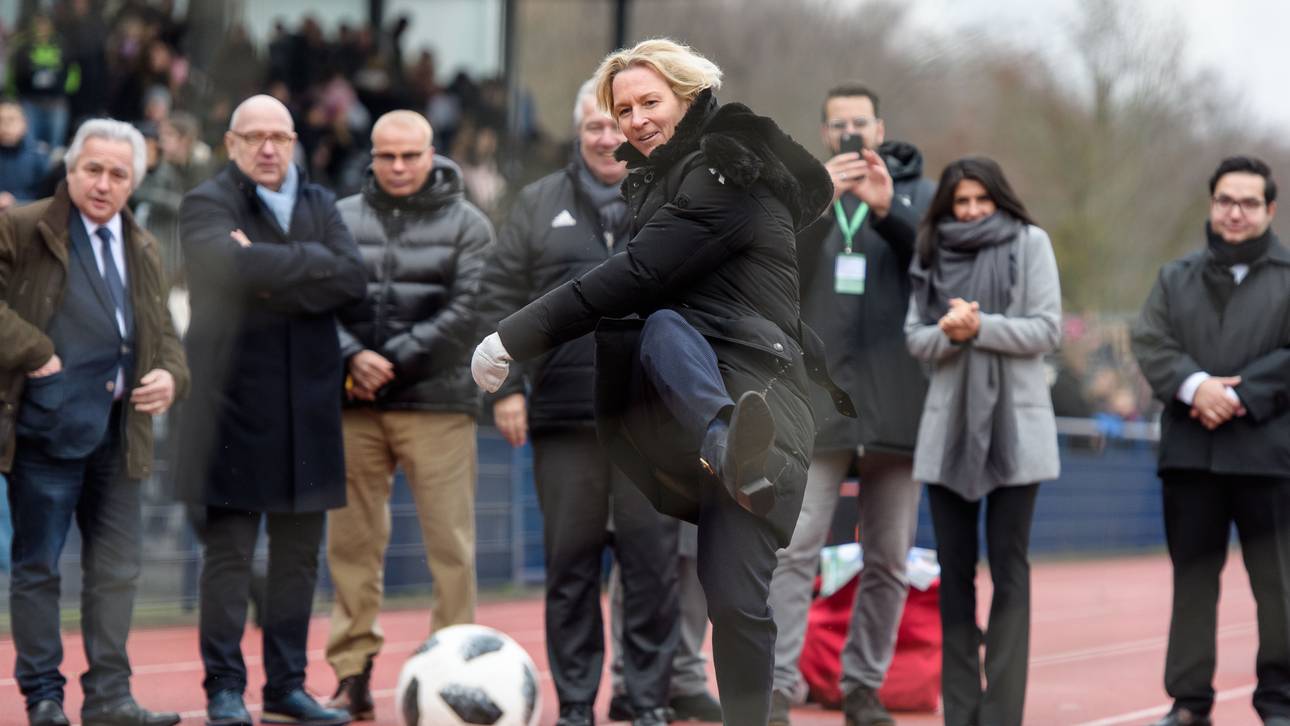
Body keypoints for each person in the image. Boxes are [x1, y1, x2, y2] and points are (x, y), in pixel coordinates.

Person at [472, 38, 852, 726]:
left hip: (763, 406)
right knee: (725, 596)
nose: (636, 119)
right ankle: (718, 437)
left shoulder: (723, 171)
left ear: (689, 95)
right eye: (623, 110)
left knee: (734, 599)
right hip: (686, 423)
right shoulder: (664, 181)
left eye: (651, 102)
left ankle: (726, 436)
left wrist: (510, 338)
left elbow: (635, 275)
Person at [476, 78, 681, 726]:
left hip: (656, 417)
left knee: (651, 566)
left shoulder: (678, 200)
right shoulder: (536, 204)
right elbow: (497, 297)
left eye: (618, 121)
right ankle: (574, 704)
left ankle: (646, 699)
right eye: (594, 124)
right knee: (571, 567)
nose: (607, 135)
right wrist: (505, 388)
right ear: (579, 132)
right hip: (566, 415)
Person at [177, 94, 366, 726]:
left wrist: (261, 267)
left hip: (310, 410)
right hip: (231, 408)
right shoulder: (206, 202)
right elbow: (225, 271)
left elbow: (351, 279)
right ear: (230, 143)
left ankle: (286, 687)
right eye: (253, 136)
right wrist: (307, 271)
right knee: (229, 558)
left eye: (279, 136)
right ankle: (224, 690)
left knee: (296, 561)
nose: (267, 148)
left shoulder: (318, 203)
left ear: (295, 142)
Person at [0, 118, 188, 726]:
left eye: (118, 174)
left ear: (135, 180)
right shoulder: (22, 227)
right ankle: (44, 698)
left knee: (116, 573)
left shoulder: (145, 246)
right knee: (39, 569)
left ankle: (110, 697)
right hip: (46, 430)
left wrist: (171, 377)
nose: (104, 183)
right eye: (93, 169)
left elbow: (164, 335)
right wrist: (36, 352)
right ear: (71, 169)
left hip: (121, 434)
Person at [766, 83, 935, 726]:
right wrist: (818, 204)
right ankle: (779, 685)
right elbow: (773, 268)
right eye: (838, 125)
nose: (850, 134)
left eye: (860, 122)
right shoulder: (802, 197)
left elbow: (938, 264)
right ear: (824, 133)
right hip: (819, 405)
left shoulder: (916, 194)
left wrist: (888, 211)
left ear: (881, 126)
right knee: (795, 545)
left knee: (889, 556)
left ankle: (863, 685)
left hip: (897, 405)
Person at [324, 109, 494, 720]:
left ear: (431, 153)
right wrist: (352, 357)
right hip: (355, 405)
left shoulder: (470, 224)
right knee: (352, 546)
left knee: (450, 547)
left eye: (410, 155)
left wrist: (391, 357)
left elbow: (472, 307)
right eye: (386, 155)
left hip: (438, 404)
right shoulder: (338, 219)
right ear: (371, 155)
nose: (398, 167)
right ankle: (351, 676)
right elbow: (320, 300)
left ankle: (455, 674)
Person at [1131, 156, 1290, 726]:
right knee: (1193, 586)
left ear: (1270, 210)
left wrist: (1242, 395)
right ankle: (1190, 703)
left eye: (1249, 202)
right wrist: (1195, 387)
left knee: (1279, 590)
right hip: (1191, 457)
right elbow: (1150, 340)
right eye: (1225, 200)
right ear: (1211, 203)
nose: (1235, 212)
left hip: (1270, 459)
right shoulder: (1176, 276)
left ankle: (1280, 703)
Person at [904, 156, 1061, 726]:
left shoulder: (1030, 243)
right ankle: (961, 709)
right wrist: (948, 334)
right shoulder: (930, 249)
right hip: (946, 434)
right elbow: (915, 338)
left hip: (1016, 432)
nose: (970, 211)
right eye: (960, 202)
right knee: (955, 573)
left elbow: (1047, 328)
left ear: (1000, 199)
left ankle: (1001, 713)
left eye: (980, 200)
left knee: (1010, 570)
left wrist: (982, 327)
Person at [0, 100, 52, 213]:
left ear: (24, 123)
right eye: (1, 120)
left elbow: (45, 197)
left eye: (11, 120)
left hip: (25, 216)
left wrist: (16, 201)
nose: (5, 126)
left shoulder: (38, 156)